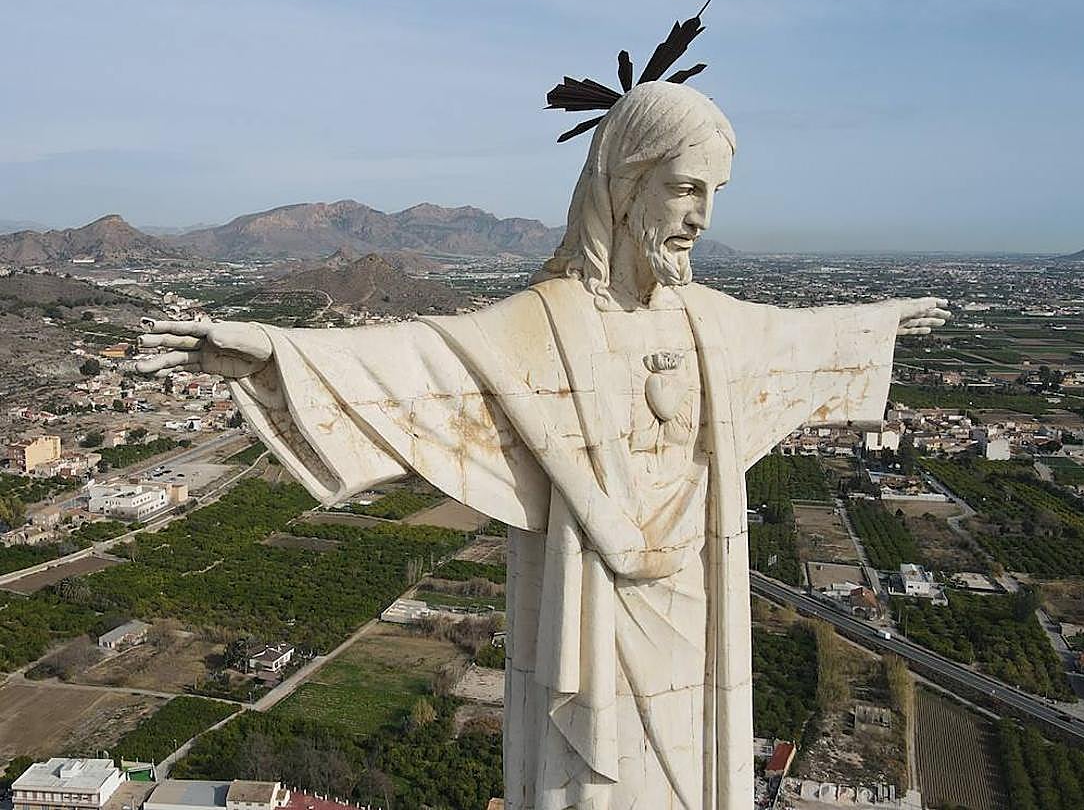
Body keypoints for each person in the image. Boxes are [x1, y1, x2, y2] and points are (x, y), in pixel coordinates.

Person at [135, 81, 947, 810]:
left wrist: (874, 328)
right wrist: (276, 351)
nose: (703, 215)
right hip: (591, 608)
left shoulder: (708, 320)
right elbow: (424, 357)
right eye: (686, 188)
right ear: (626, 186)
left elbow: (792, 343)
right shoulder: (548, 323)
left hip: (699, 605)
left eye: (715, 193)